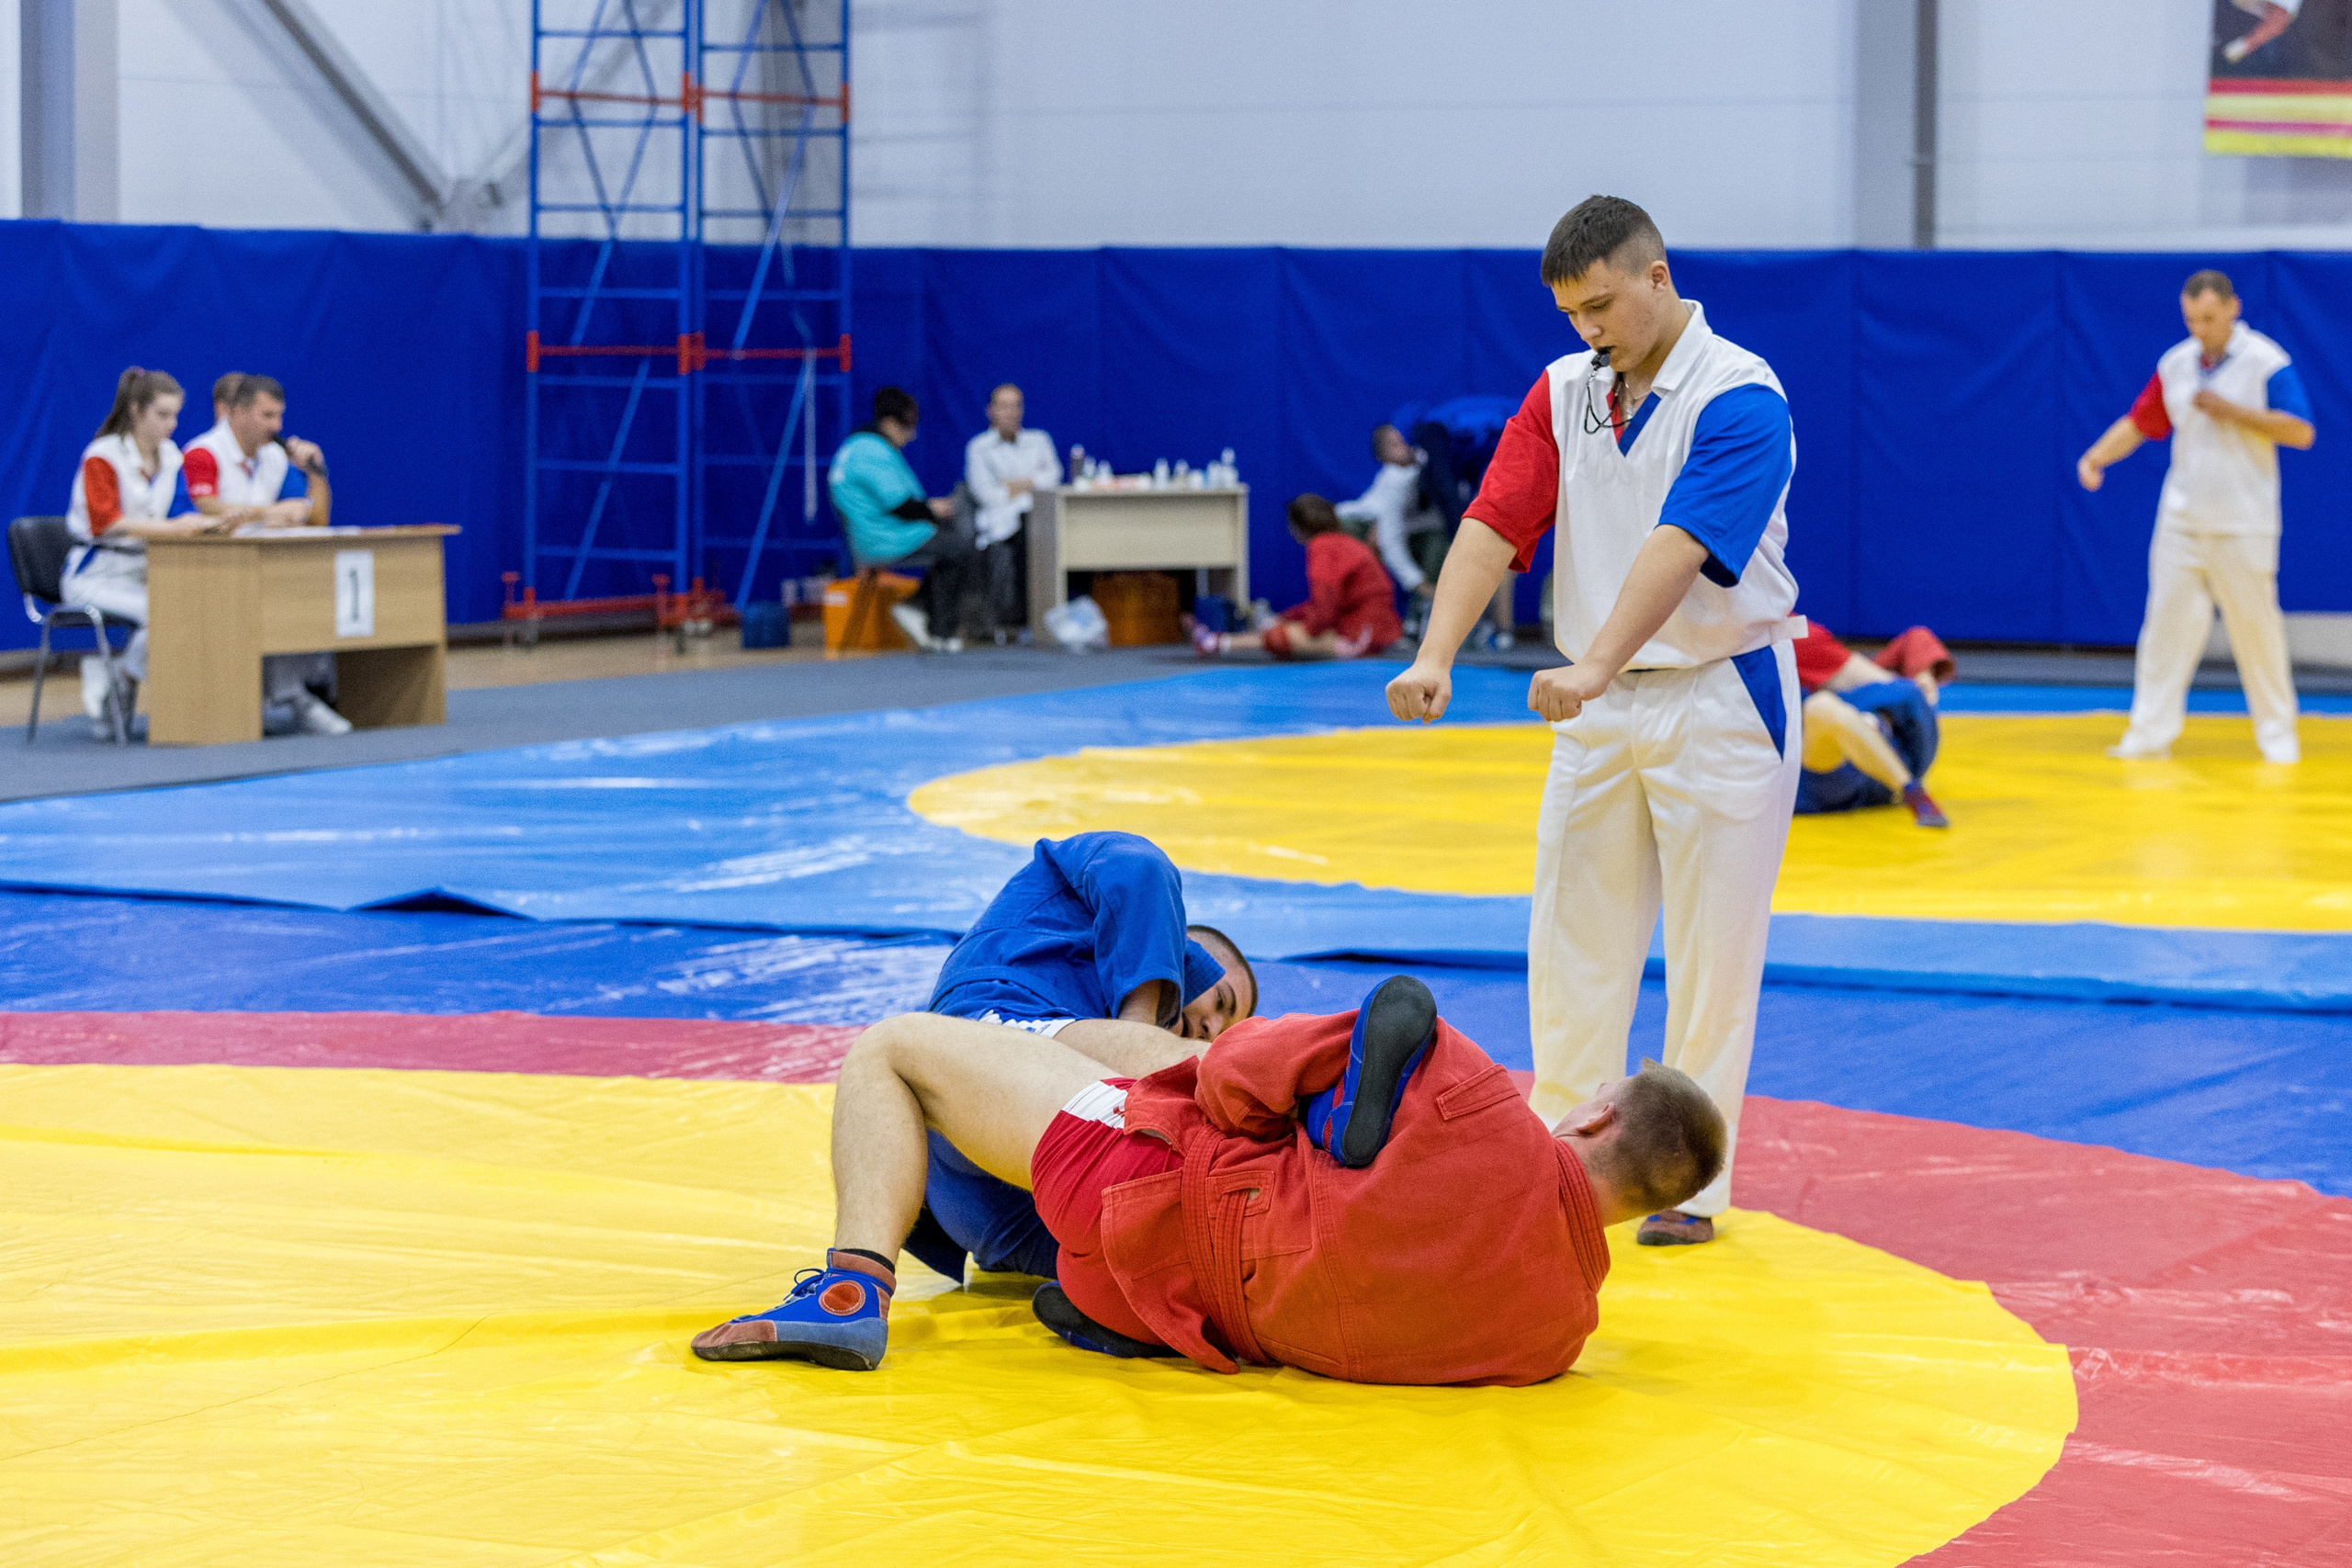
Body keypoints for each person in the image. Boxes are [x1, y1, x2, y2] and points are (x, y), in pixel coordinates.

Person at [1385, 195, 1802, 1248]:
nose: (1588, 329)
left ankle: (1692, 1184)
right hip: (1601, 701)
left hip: (1720, 698)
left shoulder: (1741, 395)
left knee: (1713, 957)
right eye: (1571, 313)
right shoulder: (1565, 389)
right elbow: (1492, 520)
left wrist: (1596, 662)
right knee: (1572, 943)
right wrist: (1434, 654)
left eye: (1602, 305)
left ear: (1657, 277)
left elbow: (1677, 545)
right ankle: (1557, 1160)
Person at [690, 976, 1725, 1383]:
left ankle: (848, 1288)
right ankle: (1050, 1052)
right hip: (1200, 1310)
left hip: (1148, 1199)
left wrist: (1255, 1099)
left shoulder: (1484, 1106)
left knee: (893, 1046)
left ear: (1590, 1115)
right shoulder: (1554, 1334)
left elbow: (1233, 1074)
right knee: (1160, 1068)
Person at [904, 830, 1257, 1284]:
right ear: (1177, 946)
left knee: (1175, 1266)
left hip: (999, 1217)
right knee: (1227, 1079)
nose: (1213, 1029)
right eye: (1222, 1003)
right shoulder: (1087, 913)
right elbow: (1140, 865)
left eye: (1225, 1030)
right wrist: (1140, 1019)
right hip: (988, 1057)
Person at [2076, 269, 2317, 764]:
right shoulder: (2176, 364)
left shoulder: (2266, 362)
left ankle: (2278, 736)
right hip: (2182, 521)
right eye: (2191, 319)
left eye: (2209, 318)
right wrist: (2096, 456)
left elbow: (2300, 431)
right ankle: (2148, 732)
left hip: (2245, 522)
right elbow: (2141, 421)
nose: (2200, 329)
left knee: (2257, 630)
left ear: (2234, 309)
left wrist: (2234, 412)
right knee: (2164, 628)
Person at [182, 373, 350, 736]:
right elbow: (206, 507)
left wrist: (316, 473)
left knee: (305, 588)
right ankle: (289, 697)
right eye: (267, 416)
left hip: (259, 567)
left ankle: (295, 694)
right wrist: (266, 514)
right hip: (203, 568)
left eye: (279, 417)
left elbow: (316, 519)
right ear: (237, 413)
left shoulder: (275, 457)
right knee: (269, 597)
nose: (277, 426)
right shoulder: (202, 452)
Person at [60, 368, 222, 733]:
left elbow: (183, 512)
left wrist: (211, 523)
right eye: (162, 415)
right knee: (165, 612)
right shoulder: (102, 455)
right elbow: (107, 522)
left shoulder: (171, 456)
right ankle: (120, 684)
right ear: (136, 410)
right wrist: (171, 528)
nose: (172, 424)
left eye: (176, 415)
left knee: (201, 605)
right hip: (96, 573)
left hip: (148, 570)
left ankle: (123, 672)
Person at [830, 386, 978, 653]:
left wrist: (930, 510)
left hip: (876, 533)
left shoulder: (857, 446)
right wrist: (932, 509)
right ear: (888, 423)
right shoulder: (871, 451)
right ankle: (936, 627)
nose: (913, 435)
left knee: (950, 542)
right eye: (908, 427)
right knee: (960, 547)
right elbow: (902, 506)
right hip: (882, 540)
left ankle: (921, 611)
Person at [1191, 494, 1403, 660]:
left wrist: (1288, 628)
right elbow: (1328, 603)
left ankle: (1217, 642)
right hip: (1370, 629)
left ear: (1297, 526)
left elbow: (1324, 612)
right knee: (1283, 630)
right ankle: (1217, 641)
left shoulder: (1323, 547)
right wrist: (1288, 617)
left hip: (1361, 635)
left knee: (1279, 636)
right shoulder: (1342, 542)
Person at [1792, 620, 1952, 828]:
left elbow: (1916, 643)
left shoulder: (1792, 636)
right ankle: (1910, 789)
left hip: (1893, 749)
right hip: (1831, 771)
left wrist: (1923, 677)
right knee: (1822, 709)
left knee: (1907, 688)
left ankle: (1905, 782)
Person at [963, 383, 1061, 636]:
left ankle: (1047, 616)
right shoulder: (978, 448)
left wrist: (1014, 485)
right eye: (1004, 406)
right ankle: (1020, 619)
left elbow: (1053, 478)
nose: (1012, 412)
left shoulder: (1039, 440)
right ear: (990, 411)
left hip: (1040, 517)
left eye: (1017, 405)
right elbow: (987, 495)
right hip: (1000, 522)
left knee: (1036, 524)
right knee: (1022, 527)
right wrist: (1030, 483)